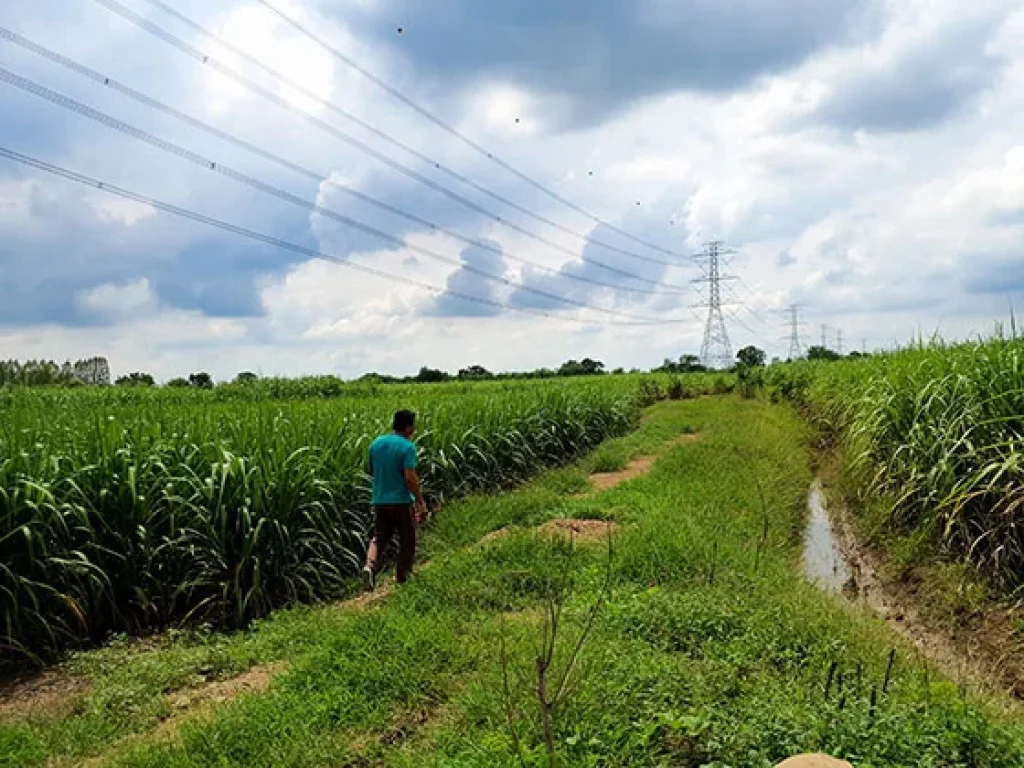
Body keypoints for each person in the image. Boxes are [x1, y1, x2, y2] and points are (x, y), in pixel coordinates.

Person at [362, 409, 427, 591]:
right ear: (408, 427)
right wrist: (420, 502)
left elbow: (371, 471)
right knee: (408, 540)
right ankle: (403, 579)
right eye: (412, 426)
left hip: (379, 500)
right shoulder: (407, 447)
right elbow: (410, 478)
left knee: (379, 538)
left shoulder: (376, 444)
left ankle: (370, 567)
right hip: (400, 502)